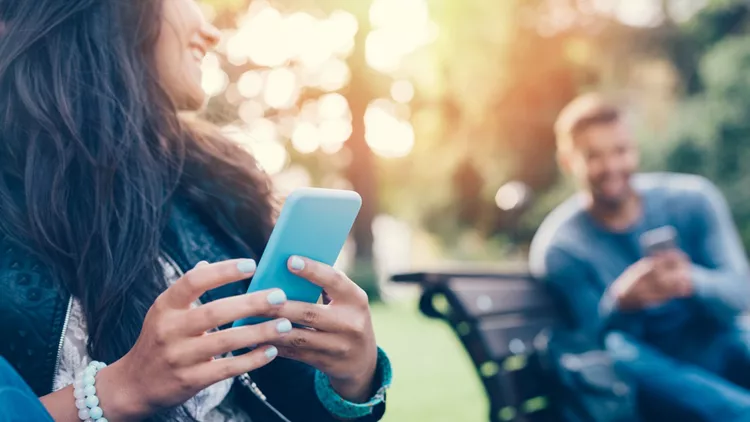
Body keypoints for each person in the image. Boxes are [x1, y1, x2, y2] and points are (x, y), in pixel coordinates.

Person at [0, 0, 391, 421]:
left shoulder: (215, 185)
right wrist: (119, 390)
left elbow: (276, 392)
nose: (211, 31)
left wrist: (351, 380)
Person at [529, 93, 750, 422]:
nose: (611, 167)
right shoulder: (562, 248)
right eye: (593, 156)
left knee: (734, 336)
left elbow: (741, 293)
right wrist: (620, 302)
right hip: (646, 380)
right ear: (567, 161)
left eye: (620, 151)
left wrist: (691, 281)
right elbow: (596, 347)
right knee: (622, 350)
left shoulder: (693, 200)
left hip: (713, 342)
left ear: (635, 148)